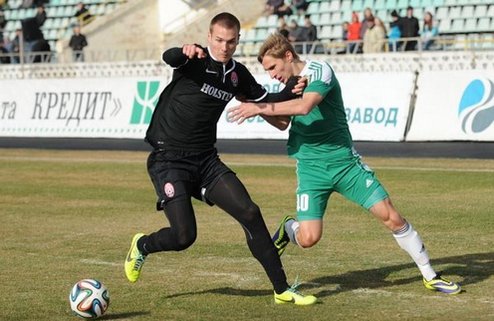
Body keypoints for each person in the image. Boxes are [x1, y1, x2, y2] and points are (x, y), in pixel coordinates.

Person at [227, 33, 462, 295]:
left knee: (391, 217)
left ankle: (431, 275)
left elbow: (305, 107)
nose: (271, 75)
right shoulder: (291, 85)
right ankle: (289, 228)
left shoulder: (320, 70)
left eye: (272, 67)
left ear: (288, 56)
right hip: (310, 169)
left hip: (345, 164)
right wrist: (256, 104)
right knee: (308, 239)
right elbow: (282, 123)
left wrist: (260, 109)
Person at [124, 12, 316, 306]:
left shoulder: (238, 74)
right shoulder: (194, 60)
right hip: (169, 160)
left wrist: (291, 90)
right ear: (209, 37)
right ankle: (142, 245)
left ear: (238, 40)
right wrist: (183, 49)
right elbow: (169, 56)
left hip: (206, 161)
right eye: (219, 40)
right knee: (184, 236)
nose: (224, 46)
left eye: (230, 41)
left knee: (250, 212)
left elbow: (265, 100)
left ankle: (282, 289)